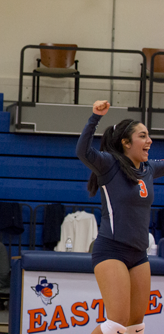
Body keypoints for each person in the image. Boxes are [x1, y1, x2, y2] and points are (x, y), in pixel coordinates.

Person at [77, 100, 164, 334]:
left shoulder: (149, 169)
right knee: (116, 323)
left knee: (136, 324)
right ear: (126, 143)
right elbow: (82, 151)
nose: (149, 141)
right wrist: (95, 117)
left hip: (139, 255)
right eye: (143, 136)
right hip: (111, 251)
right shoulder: (108, 164)